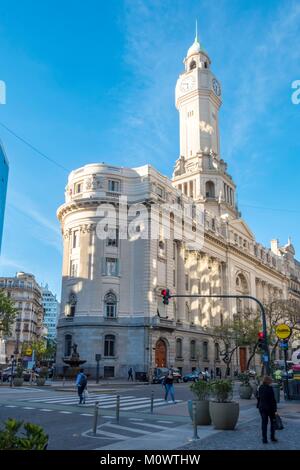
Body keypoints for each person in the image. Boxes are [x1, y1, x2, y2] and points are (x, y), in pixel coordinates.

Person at [257, 375, 278, 444]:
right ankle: (272, 437)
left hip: (262, 407)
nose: (271, 381)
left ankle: (264, 439)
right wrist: (275, 409)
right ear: (268, 381)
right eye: (270, 380)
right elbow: (273, 400)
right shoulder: (270, 388)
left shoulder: (260, 387)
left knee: (264, 423)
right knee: (273, 422)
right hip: (270, 408)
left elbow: (258, 397)